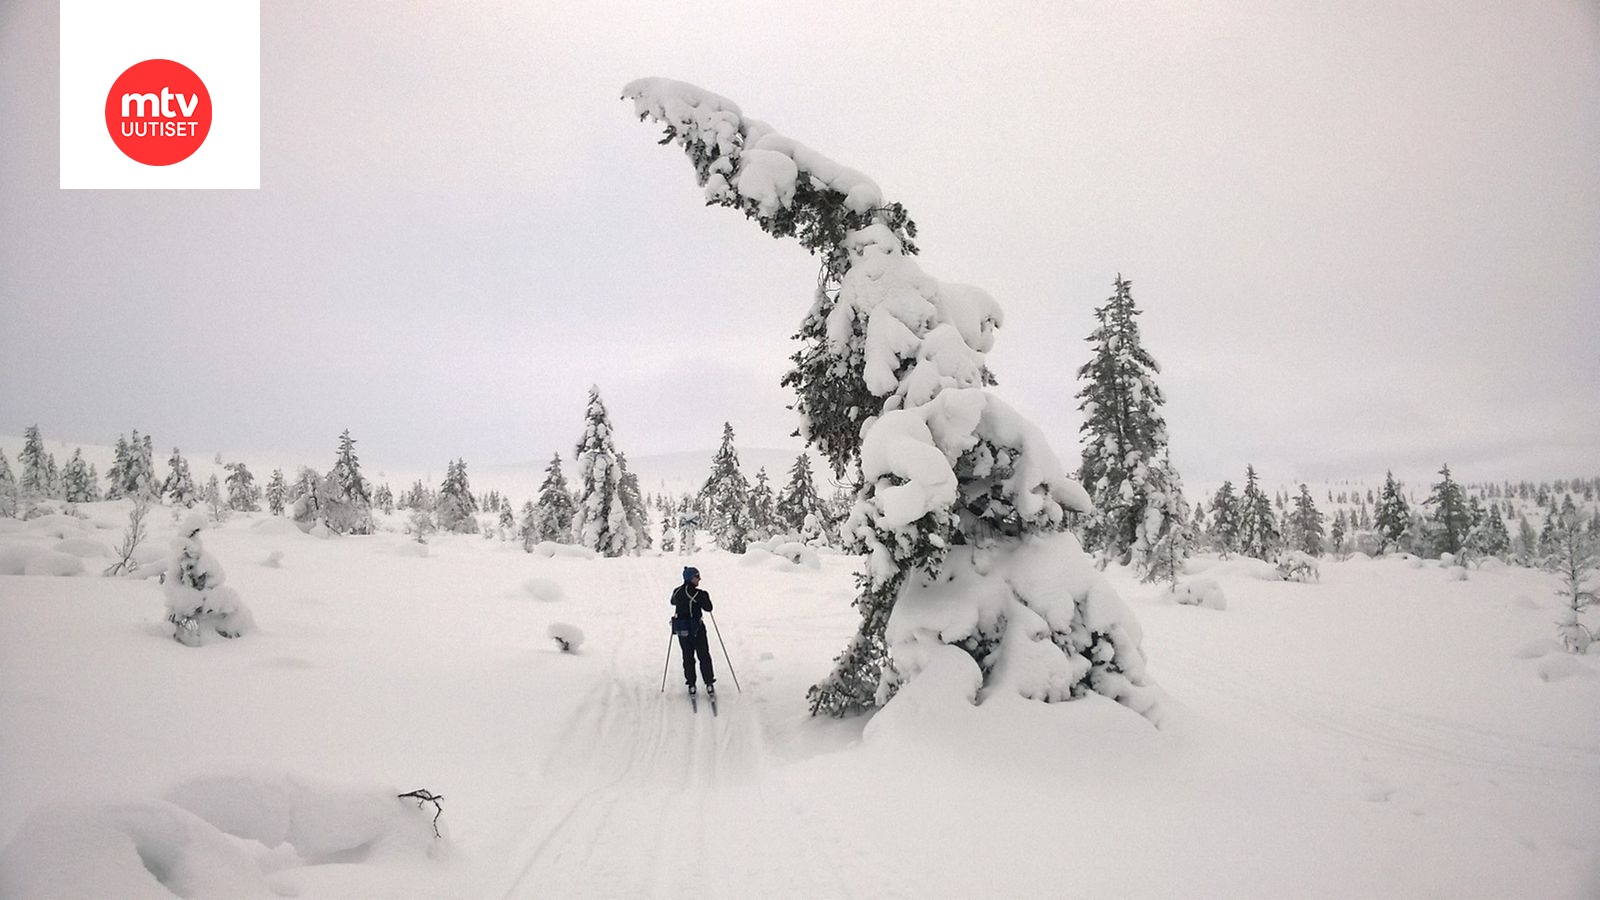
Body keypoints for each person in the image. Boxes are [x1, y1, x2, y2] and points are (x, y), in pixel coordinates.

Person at [670, 566, 715, 696]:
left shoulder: (677, 591)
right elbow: (709, 608)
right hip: (697, 630)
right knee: (704, 656)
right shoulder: (700, 594)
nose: (699, 579)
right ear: (690, 578)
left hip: (682, 630)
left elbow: (673, 602)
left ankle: (691, 684)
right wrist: (705, 597)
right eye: (697, 576)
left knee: (687, 657)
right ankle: (709, 683)